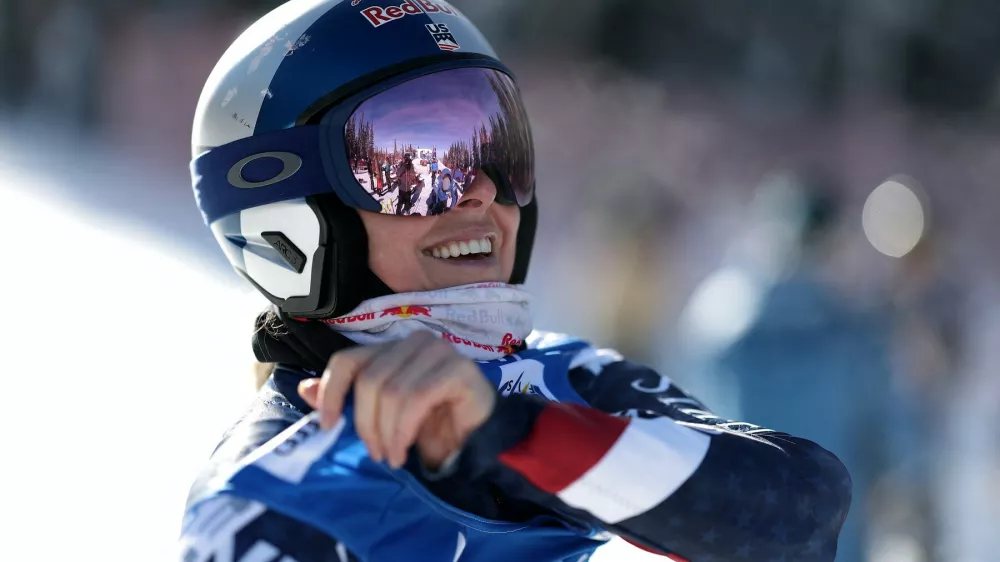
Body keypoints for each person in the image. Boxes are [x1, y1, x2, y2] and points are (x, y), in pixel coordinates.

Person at [181, 2, 851, 561]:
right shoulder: (267, 499)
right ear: (288, 215)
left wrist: (512, 434)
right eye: (413, 164)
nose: (482, 193)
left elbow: (802, 511)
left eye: (498, 150)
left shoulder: (562, 379)